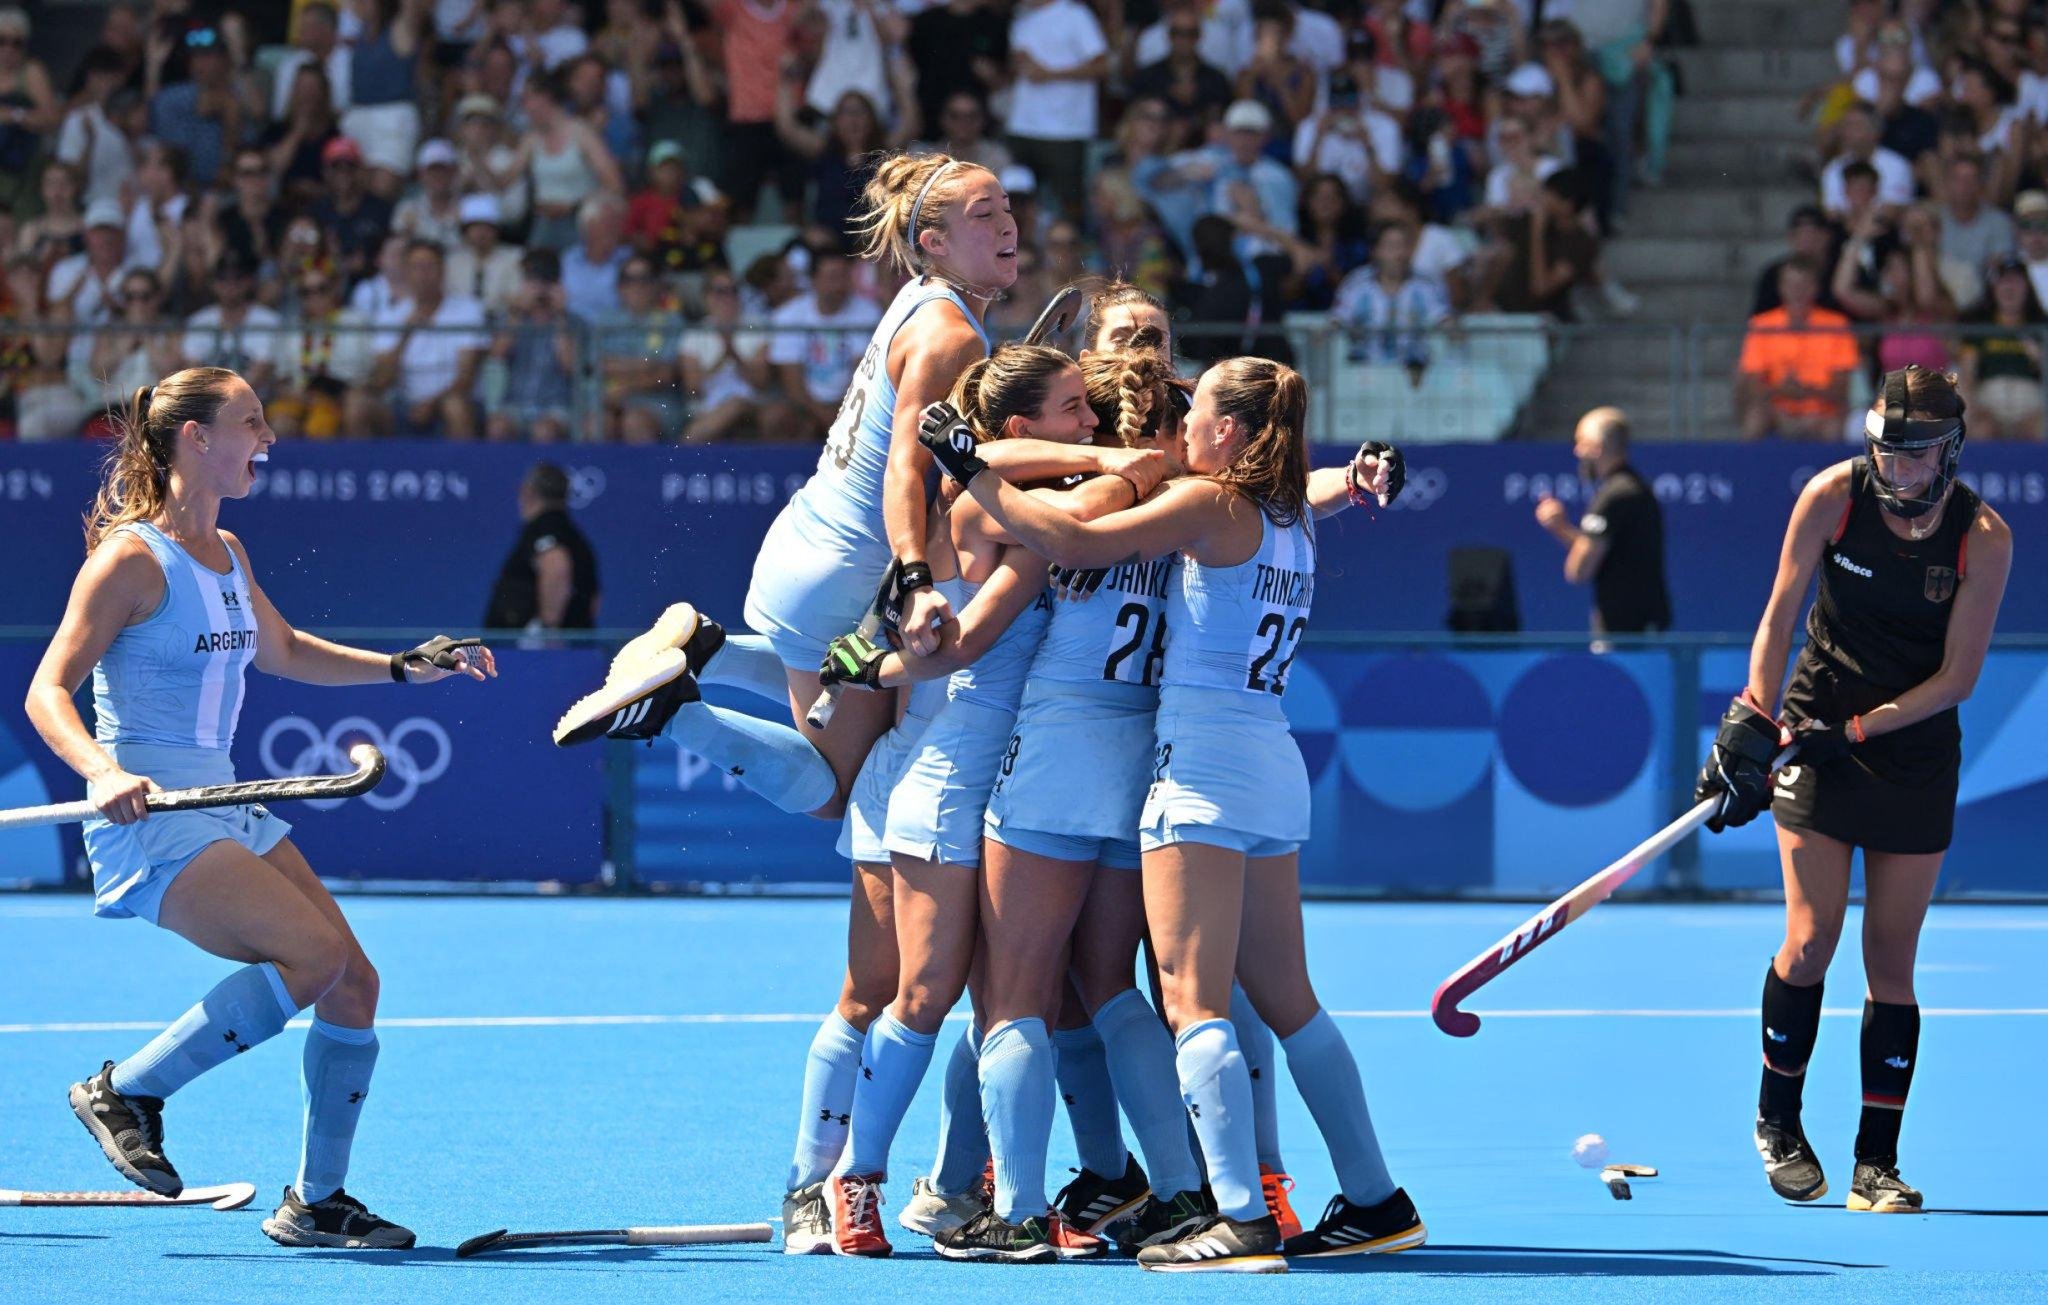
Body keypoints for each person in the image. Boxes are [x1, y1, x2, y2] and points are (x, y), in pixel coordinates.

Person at [922, 356, 1423, 1271]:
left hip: (1197, 771)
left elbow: (1072, 543)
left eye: (1201, 412)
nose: (1185, 423)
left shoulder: (1208, 506)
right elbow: (1296, 483)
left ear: (1228, 433)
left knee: (1190, 1002)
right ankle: (1376, 1195)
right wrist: (1349, 480)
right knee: (1290, 1000)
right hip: (1272, 762)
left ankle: (1237, 1215)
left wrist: (974, 467)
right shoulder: (1289, 513)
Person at [21, 366, 494, 1248]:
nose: (268, 439)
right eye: (251, 423)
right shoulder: (128, 557)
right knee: (311, 956)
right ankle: (126, 1090)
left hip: (228, 797)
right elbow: (48, 689)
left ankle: (319, 1202)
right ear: (196, 438)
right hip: (151, 811)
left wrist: (401, 669)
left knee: (355, 983)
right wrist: (96, 771)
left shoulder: (230, 553)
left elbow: (280, 650)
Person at [549, 153, 1158, 826]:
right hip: (847, 572)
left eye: (1008, 210)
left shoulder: (921, 300)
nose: (1007, 226)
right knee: (832, 790)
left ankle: (704, 646)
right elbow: (908, 464)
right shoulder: (951, 335)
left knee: (826, 679)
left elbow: (954, 443)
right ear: (934, 242)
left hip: (804, 543)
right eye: (984, 216)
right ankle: (677, 714)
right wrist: (917, 573)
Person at [814, 344, 1125, 1261]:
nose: (1093, 424)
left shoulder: (1005, 492)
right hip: (949, 779)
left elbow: (1003, 460)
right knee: (925, 991)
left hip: (1001, 782)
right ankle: (857, 1181)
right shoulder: (1007, 522)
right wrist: (880, 663)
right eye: (1074, 410)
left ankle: (999, 1197)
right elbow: (968, 642)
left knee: (1001, 997)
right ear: (1021, 430)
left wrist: (1092, 459)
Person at [1692, 365, 2012, 1215]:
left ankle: (1877, 1164)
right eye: (1885, 452)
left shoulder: (1985, 537)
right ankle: (1779, 1120)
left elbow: (1958, 679)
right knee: (1811, 935)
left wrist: (1860, 733)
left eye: (1914, 457)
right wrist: (1752, 722)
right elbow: (1778, 614)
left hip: (1909, 749)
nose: (1896, 472)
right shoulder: (1833, 496)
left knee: (1892, 962)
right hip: (1816, 726)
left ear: (1949, 453)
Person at [1532, 406, 1671, 636]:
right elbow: (1601, 551)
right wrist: (1561, 528)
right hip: (1645, 627)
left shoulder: (1614, 497)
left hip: (1625, 633)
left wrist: (1559, 528)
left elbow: (1579, 569)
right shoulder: (1635, 490)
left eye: (1581, 442)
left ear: (1597, 447)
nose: (1577, 451)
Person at [1737, 258, 1860, 440]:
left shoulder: (1836, 325)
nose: (1797, 292)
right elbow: (1753, 382)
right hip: (1777, 410)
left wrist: (1807, 392)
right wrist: (1781, 392)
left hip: (1822, 411)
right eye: (1791, 285)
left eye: (1804, 285)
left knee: (1834, 428)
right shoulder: (1762, 324)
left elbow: (1841, 387)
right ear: (1781, 288)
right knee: (1754, 419)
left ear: (1815, 288)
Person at [484, 462, 601, 631]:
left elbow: (557, 568)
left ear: (527, 492)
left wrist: (547, 630)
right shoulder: (577, 539)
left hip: (537, 651)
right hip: (567, 647)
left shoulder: (545, 528)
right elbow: (594, 600)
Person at [1956, 253, 2047, 439]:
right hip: (1989, 401)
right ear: (1994, 288)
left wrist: (2040, 358)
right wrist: (1974, 408)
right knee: (1981, 430)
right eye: (2004, 281)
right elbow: (1968, 372)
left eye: (2016, 281)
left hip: (2033, 402)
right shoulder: (1979, 327)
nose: (2010, 287)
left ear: (2026, 288)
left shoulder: (2041, 325)